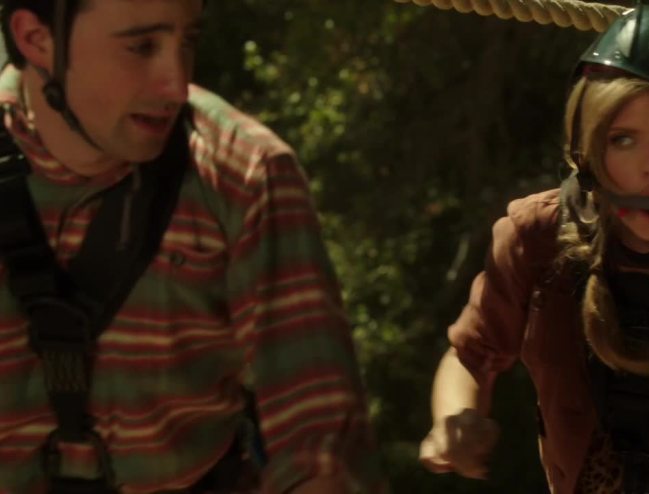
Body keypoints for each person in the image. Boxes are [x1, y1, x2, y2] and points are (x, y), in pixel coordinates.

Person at [0, 0, 383, 492]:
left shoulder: (244, 173)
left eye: (188, 42)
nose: (176, 86)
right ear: (36, 39)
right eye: (141, 47)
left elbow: (319, 438)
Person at [419, 5, 649, 494]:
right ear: (588, 148)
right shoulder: (534, 238)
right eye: (623, 140)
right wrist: (456, 418)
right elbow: (470, 354)